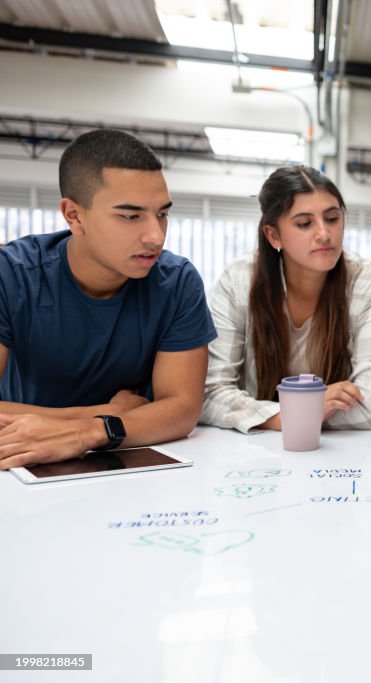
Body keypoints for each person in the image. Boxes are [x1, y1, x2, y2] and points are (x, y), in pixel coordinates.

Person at [0, 129, 216, 469]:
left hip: (125, 459)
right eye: (130, 216)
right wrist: (106, 415)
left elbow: (181, 411)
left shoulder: (177, 282)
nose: (156, 236)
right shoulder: (11, 274)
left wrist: (91, 432)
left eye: (162, 213)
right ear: (74, 216)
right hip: (22, 458)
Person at [201, 166, 371, 433]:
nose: (324, 234)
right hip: (256, 452)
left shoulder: (368, 285)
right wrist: (302, 412)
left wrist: (273, 416)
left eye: (332, 218)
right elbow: (210, 393)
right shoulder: (237, 281)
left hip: (338, 456)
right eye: (305, 223)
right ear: (273, 235)